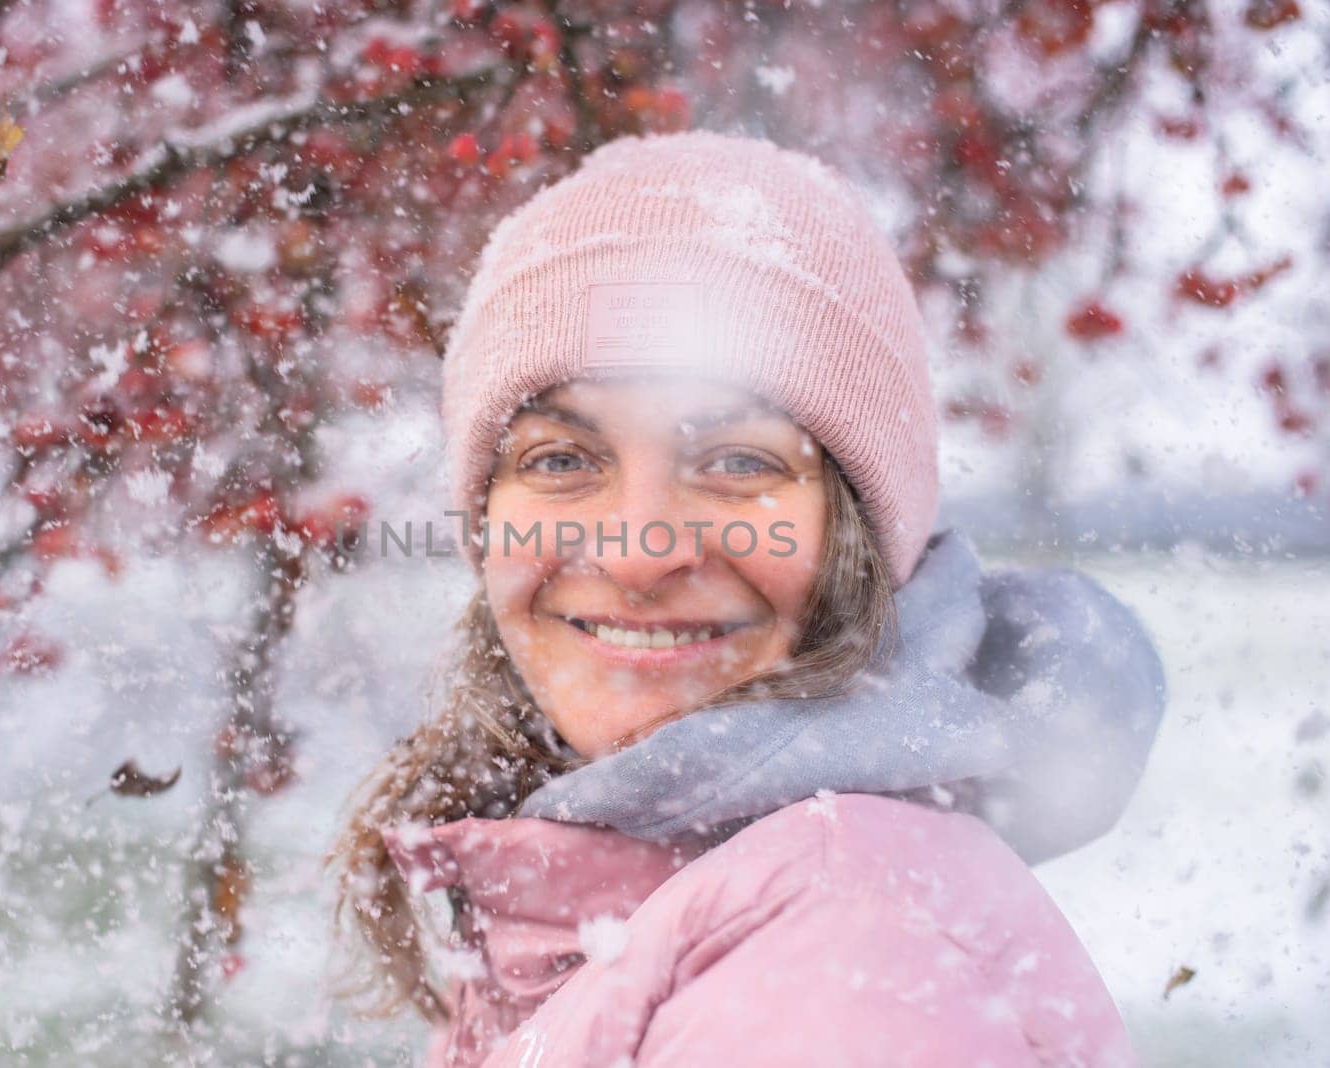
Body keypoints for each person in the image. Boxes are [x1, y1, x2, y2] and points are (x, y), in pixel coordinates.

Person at [324, 130, 1167, 1067]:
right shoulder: (656, 897)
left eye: (736, 462)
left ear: (856, 534)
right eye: (561, 460)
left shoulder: (839, 963)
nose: (635, 553)